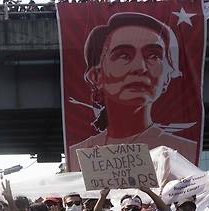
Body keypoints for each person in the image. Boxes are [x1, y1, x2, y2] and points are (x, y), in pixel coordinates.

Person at [68, 13, 198, 169]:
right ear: (96, 76)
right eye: (123, 55)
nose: (140, 68)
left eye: (153, 56)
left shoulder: (183, 152)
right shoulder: (79, 154)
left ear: (167, 78)